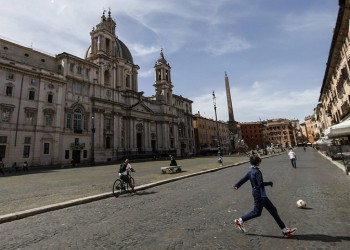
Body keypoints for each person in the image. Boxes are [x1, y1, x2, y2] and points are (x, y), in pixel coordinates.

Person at [233, 155, 297, 238]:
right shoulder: (257, 172)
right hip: (259, 194)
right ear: (258, 162)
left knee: (273, 210)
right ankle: (240, 220)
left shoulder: (250, 171)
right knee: (256, 212)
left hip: (260, 194)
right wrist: (269, 183)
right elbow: (260, 184)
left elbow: (244, 179)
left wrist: (237, 185)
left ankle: (285, 231)